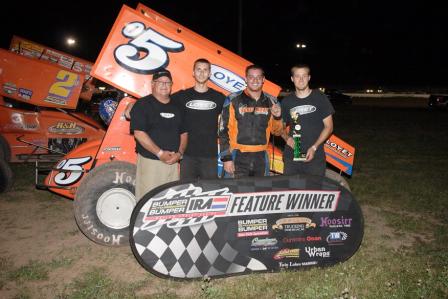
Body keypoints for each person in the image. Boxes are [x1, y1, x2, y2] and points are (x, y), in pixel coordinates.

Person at [130, 69, 187, 200]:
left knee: (170, 201)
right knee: (147, 201)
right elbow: (139, 133)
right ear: (152, 84)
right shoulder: (142, 104)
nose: (164, 85)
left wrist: (179, 154)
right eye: (160, 82)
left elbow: (184, 133)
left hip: (172, 163)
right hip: (151, 162)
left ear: (172, 85)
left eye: (167, 82)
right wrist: (160, 153)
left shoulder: (178, 106)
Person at [219, 64, 283, 178]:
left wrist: (278, 117)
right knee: (235, 194)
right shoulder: (232, 99)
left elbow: (277, 132)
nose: (255, 80)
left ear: (263, 80)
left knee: (260, 194)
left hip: (261, 157)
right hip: (237, 155)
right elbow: (223, 130)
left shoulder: (272, 101)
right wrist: (226, 158)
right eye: (251, 77)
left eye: (258, 77)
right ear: (246, 79)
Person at [171, 58, 225, 180]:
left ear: (210, 74)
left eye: (205, 70)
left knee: (210, 192)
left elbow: (235, 114)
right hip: (187, 155)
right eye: (198, 69)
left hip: (210, 156)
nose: (202, 73)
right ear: (193, 73)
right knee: (187, 192)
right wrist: (134, 104)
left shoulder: (219, 97)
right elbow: (161, 101)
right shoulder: (181, 96)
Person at [280, 64, 334, 177]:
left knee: (314, 192)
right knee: (292, 192)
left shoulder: (319, 97)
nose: (301, 79)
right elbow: (280, 127)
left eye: (304, 76)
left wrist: (314, 147)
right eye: (297, 76)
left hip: (315, 155)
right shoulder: (287, 101)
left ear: (309, 78)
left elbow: (329, 127)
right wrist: (287, 138)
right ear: (292, 79)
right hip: (293, 155)